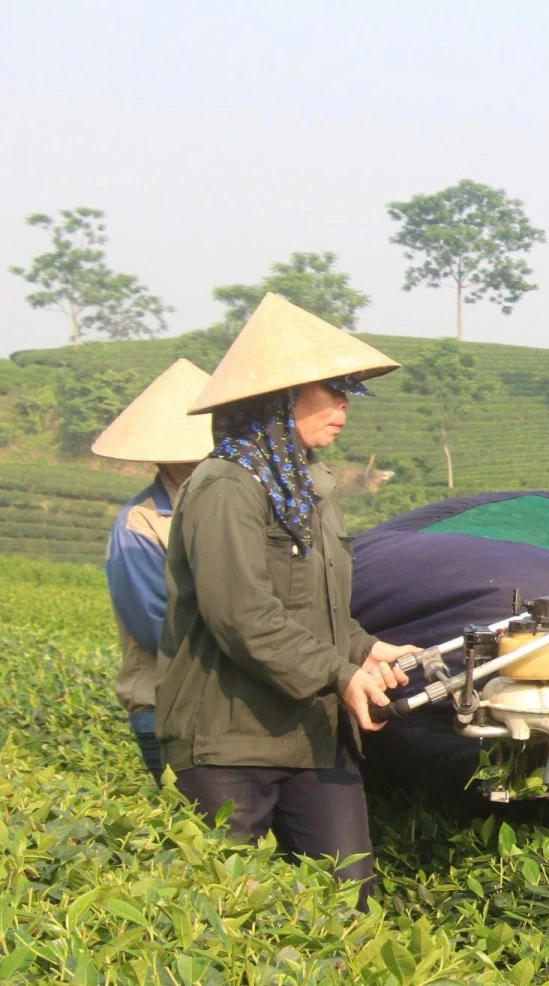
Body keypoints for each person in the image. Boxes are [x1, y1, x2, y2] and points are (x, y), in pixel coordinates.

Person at [157, 294, 415, 905]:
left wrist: (366, 648)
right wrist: (339, 673)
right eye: (334, 389)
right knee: (225, 912)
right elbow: (241, 615)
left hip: (313, 734)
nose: (346, 404)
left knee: (350, 903)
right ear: (279, 398)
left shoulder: (310, 488)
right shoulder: (225, 485)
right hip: (229, 740)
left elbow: (316, 609)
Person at [94, 359, 213, 780]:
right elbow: (157, 627)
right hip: (168, 708)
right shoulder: (140, 523)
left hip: (235, 715)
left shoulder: (234, 508)